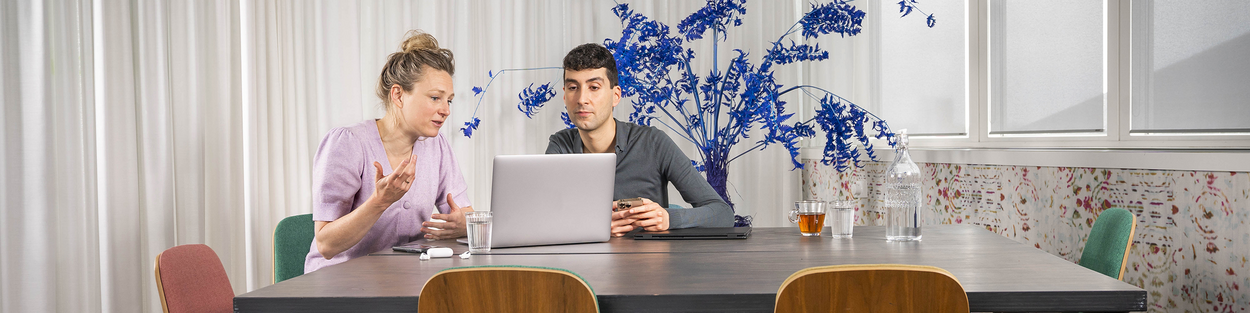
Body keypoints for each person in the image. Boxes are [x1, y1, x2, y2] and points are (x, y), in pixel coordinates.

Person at [305, 30, 472, 273]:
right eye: (436, 98)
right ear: (398, 95)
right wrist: (379, 201)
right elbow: (326, 244)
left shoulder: (437, 146)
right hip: (338, 282)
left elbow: (462, 212)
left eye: (449, 100)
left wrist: (465, 225)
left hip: (401, 279)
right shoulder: (348, 143)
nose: (445, 110)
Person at [546, 43, 734, 236]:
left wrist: (668, 219)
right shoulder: (560, 146)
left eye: (594, 87)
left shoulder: (653, 142)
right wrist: (593, 226)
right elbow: (544, 217)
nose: (581, 99)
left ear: (615, 96)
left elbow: (723, 213)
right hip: (581, 264)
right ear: (564, 95)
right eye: (572, 87)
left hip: (647, 262)